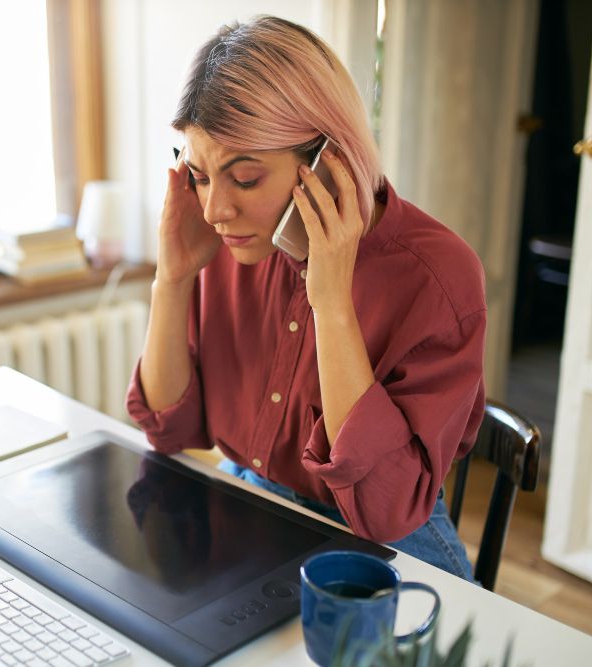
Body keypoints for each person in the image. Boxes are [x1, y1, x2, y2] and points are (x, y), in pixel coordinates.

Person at [125, 15, 485, 581]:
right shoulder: (226, 239)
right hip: (255, 509)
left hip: (388, 543)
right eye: (198, 175)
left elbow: (384, 511)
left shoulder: (437, 275)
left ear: (328, 160)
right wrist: (172, 279)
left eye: (244, 179)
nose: (217, 209)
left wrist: (332, 303)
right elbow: (166, 430)